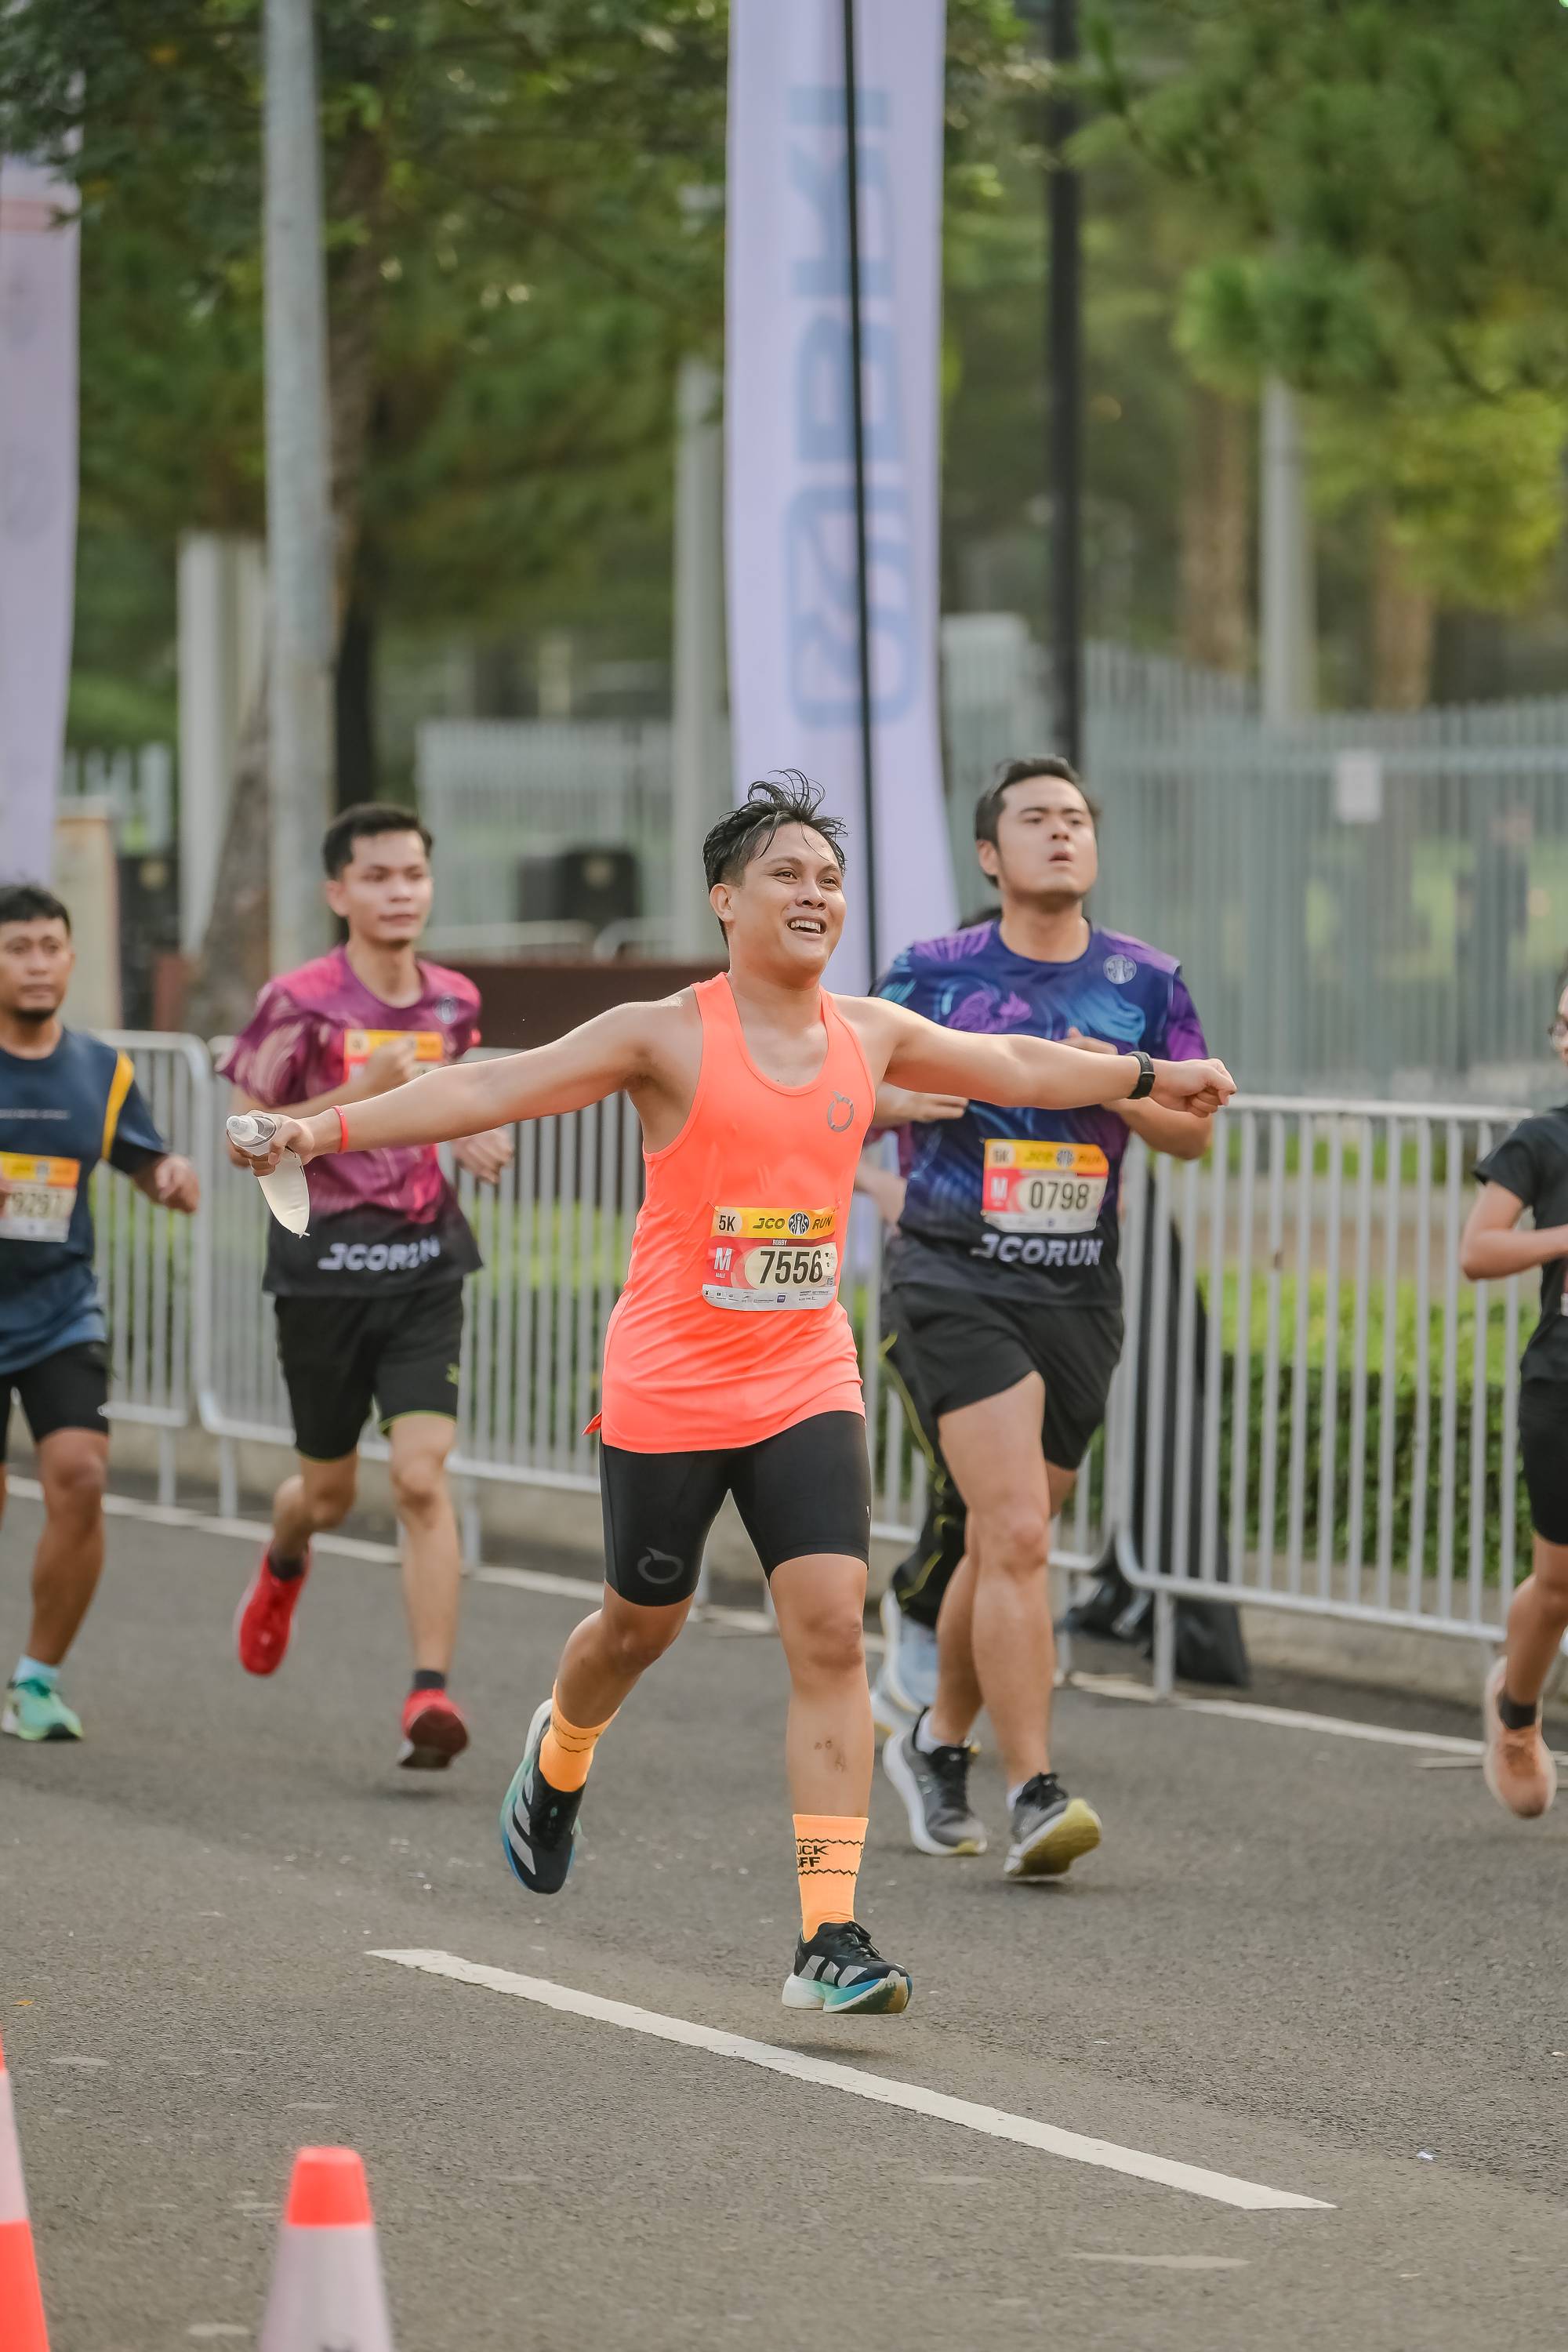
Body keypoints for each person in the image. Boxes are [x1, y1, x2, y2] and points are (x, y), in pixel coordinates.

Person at [230, 775, 1233, 2011]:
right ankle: (561, 1750)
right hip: (669, 1378)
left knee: (830, 1632)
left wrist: (1148, 1074)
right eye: (786, 876)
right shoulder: (662, 1034)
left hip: (804, 1372)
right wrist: (316, 1134)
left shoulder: (867, 1031)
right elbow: (489, 1086)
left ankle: (828, 1937)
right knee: (637, 1629)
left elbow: (1020, 1061)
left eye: (830, 880)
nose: (815, 896)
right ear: (725, 899)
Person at [868, 757, 1215, 1880]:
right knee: (1018, 1530)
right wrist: (893, 1108)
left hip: (1078, 1288)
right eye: (1035, 818)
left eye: (1075, 818)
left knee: (1004, 1536)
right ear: (989, 854)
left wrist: (1122, 1081)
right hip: (952, 1275)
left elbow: (1192, 1130)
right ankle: (1034, 1789)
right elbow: (841, 1088)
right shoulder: (930, 973)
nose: (1061, 832)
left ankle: (933, 1741)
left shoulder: (1145, 980)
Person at [220, 803, 513, 1770]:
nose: (399, 892)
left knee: (422, 1478)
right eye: (378, 877)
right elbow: (241, 1140)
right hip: (322, 1273)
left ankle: (428, 1695)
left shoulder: (453, 1002)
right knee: (328, 1495)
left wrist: (473, 1132)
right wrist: (358, 1095)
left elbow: (456, 1101)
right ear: (338, 892)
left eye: (413, 875)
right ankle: (284, 1555)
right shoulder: (298, 1002)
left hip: (424, 1263)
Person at [0, 884, 200, 1740]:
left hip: (59, 1310)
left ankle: (36, 1682)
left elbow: (142, 1160)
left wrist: (169, 1178)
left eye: (50, 946)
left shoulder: (102, 1069)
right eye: (18, 948)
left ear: (72, 958)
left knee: (80, 1476)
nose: (37, 963)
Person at [1459, 970, 1568, 1818]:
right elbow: (1478, 1251)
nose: (1566, 1040)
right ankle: (1518, 1716)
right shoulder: (1542, 1141)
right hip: (1560, 1381)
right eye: (1562, 1025)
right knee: (1559, 1583)